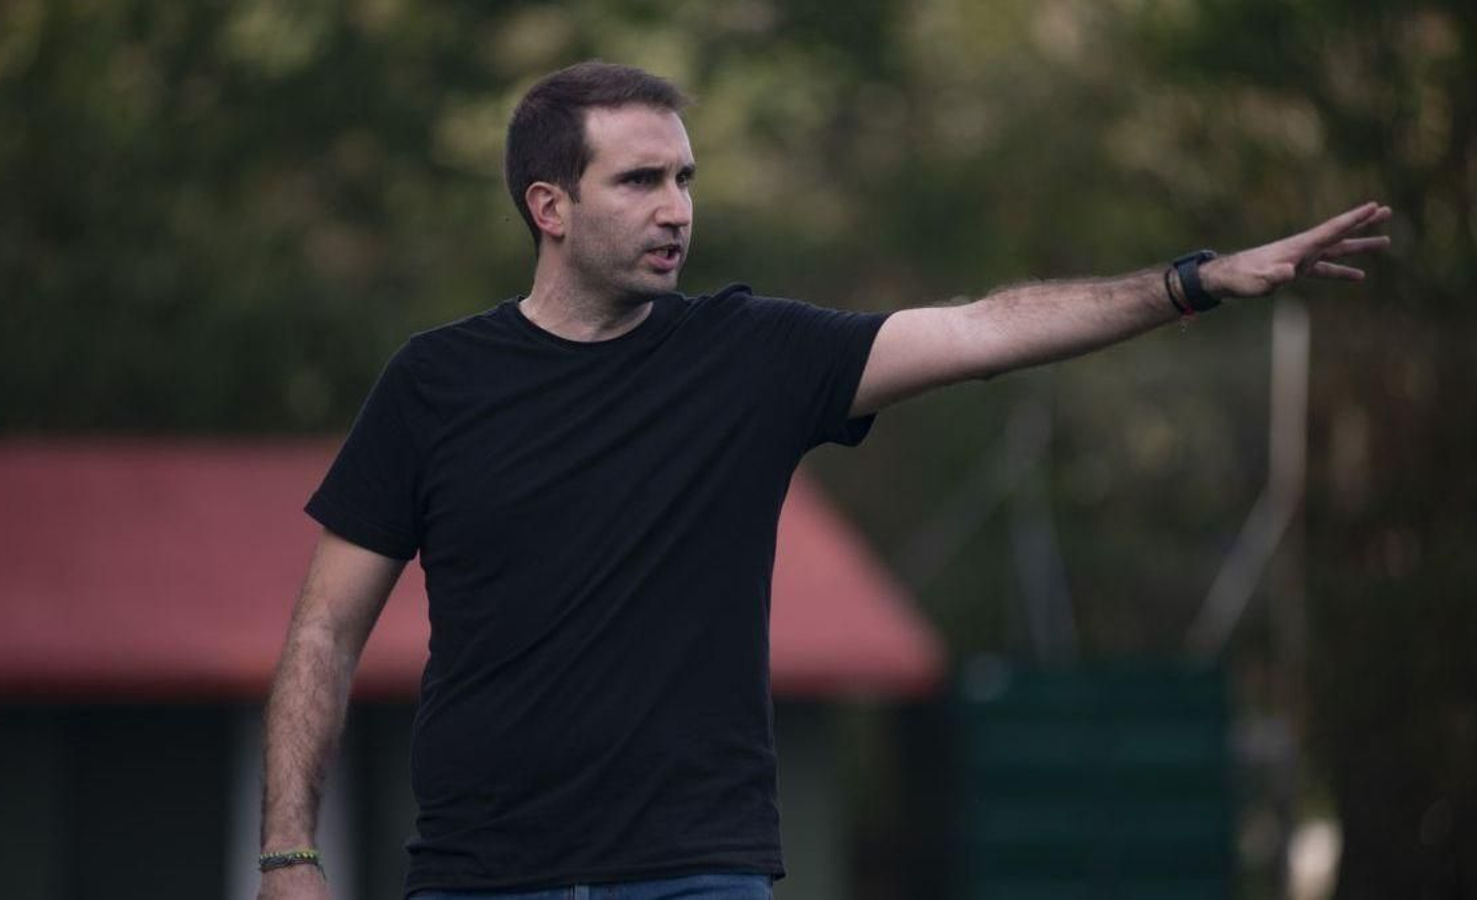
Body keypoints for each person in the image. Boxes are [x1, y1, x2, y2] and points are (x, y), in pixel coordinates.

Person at [256, 61, 1391, 900]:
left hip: (694, 870)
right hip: (479, 873)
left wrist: (1192, 281)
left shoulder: (754, 357)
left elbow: (985, 329)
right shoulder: (435, 383)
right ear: (547, 208)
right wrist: (290, 853)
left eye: (686, 179)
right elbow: (322, 634)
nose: (678, 209)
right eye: (640, 180)